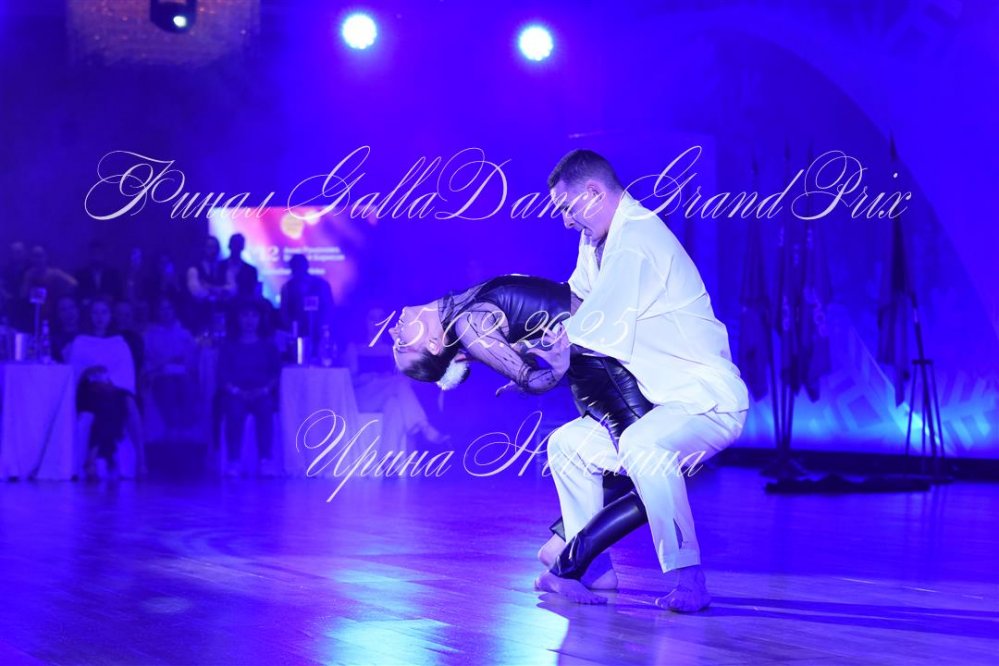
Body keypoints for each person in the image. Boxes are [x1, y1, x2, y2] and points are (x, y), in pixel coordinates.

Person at [539, 149, 749, 611]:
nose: (566, 221)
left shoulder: (637, 238)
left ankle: (689, 578)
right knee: (567, 445)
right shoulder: (597, 241)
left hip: (706, 401)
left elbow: (594, 327)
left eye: (567, 208)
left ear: (593, 192)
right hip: (660, 408)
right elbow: (574, 302)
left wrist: (540, 358)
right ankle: (592, 567)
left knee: (643, 445)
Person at [394, 274, 659, 592]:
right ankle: (573, 560)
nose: (394, 332)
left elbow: (531, 325)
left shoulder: (464, 309)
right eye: (402, 344)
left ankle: (575, 553)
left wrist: (534, 354)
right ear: (433, 346)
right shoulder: (468, 324)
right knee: (659, 476)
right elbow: (531, 379)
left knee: (651, 472)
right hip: (606, 373)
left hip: (606, 360)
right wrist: (554, 370)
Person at [346, 307, 446, 452]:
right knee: (399, 384)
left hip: (387, 394)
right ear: (365, 322)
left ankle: (388, 458)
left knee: (394, 406)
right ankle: (424, 427)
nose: (377, 323)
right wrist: (368, 377)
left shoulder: (391, 349)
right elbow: (348, 381)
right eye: (372, 318)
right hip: (364, 398)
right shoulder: (354, 347)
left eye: (381, 318)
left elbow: (403, 376)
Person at [217, 299, 281, 477]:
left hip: (262, 392)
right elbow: (222, 374)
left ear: (260, 319)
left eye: (254, 316)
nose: (249, 320)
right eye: (245, 316)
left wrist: (264, 390)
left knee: (265, 408)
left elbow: (275, 373)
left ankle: (265, 460)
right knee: (234, 410)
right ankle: (234, 460)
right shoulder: (228, 346)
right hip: (235, 393)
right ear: (237, 319)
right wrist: (236, 391)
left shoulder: (268, 346)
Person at [280, 254, 334, 347]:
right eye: (296, 267)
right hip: (297, 333)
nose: (298, 270)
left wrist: (323, 327)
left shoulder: (321, 285)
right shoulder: (287, 288)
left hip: (319, 331)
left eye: (300, 267)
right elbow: (284, 314)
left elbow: (328, 308)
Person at [221, 234, 260, 298]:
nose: (236, 247)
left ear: (242, 247)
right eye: (234, 244)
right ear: (229, 245)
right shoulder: (220, 266)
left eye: (238, 245)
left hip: (243, 303)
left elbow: (251, 292)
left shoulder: (251, 270)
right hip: (222, 302)